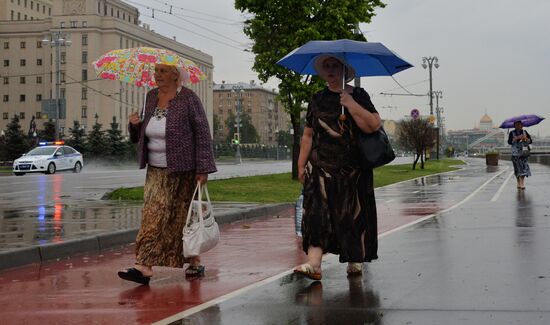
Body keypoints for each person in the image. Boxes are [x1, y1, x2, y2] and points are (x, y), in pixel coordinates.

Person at [118, 63, 217, 285]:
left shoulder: (189, 98)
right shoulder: (150, 97)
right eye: (156, 71)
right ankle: (143, 266)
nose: (157, 75)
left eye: (162, 71)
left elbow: (202, 134)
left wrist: (203, 169)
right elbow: (140, 136)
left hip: (184, 170)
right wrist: (134, 126)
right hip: (155, 170)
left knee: (182, 218)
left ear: (175, 75)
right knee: (152, 214)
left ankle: (194, 260)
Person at [294, 54, 381, 280]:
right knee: (316, 216)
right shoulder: (317, 99)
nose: (331, 69)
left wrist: (351, 105)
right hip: (321, 167)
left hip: (354, 170)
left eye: (335, 65)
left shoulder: (359, 95)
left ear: (345, 70)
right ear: (322, 72)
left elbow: (373, 126)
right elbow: (308, 134)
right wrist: (301, 164)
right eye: (327, 66)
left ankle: (355, 259)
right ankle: (314, 264)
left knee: (352, 216)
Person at [508, 120, 532, 190]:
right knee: (517, 169)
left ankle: (522, 183)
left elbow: (530, 141)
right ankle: (518, 181)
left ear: (522, 125)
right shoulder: (512, 133)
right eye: (516, 124)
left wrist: (525, 138)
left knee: (524, 168)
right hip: (515, 153)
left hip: (524, 153)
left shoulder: (525, 132)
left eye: (519, 124)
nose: (518, 126)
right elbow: (509, 142)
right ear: (514, 125)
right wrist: (515, 138)